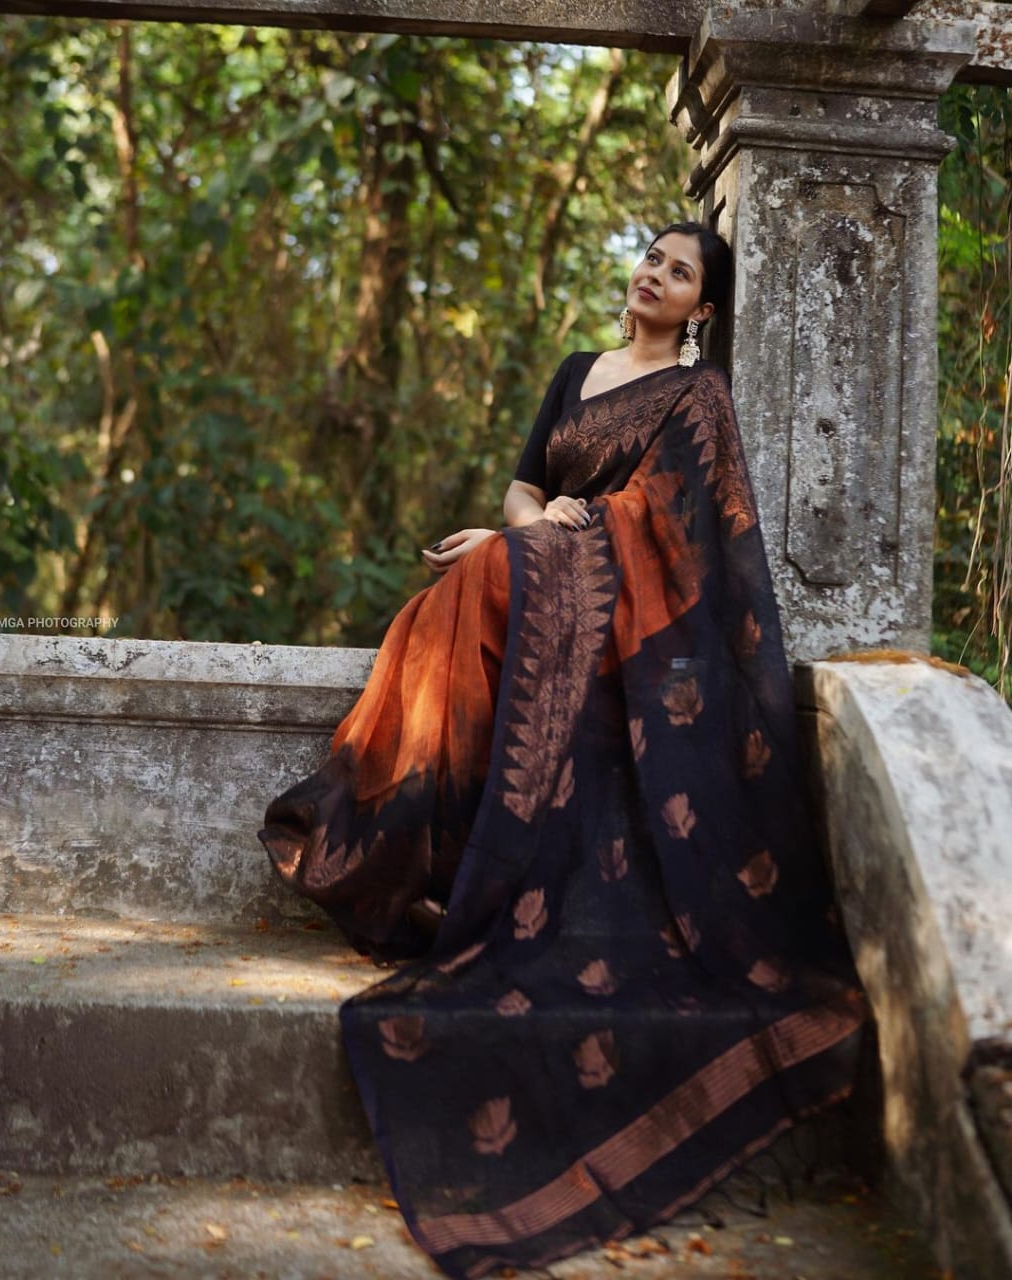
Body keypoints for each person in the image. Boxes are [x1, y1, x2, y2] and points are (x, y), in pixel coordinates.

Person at [258, 221, 867, 1280]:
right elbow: (524, 484)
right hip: (547, 567)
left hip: (620, 613)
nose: (652, 274)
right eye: (650, 257)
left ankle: (438, 869)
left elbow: (669, 525)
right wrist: (519, 529)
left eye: (677, 271)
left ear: (701, 307)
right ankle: (417, 862)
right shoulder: (578, 369)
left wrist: (525, 546)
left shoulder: (695, 396)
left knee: (476, 583)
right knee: (435, 610)